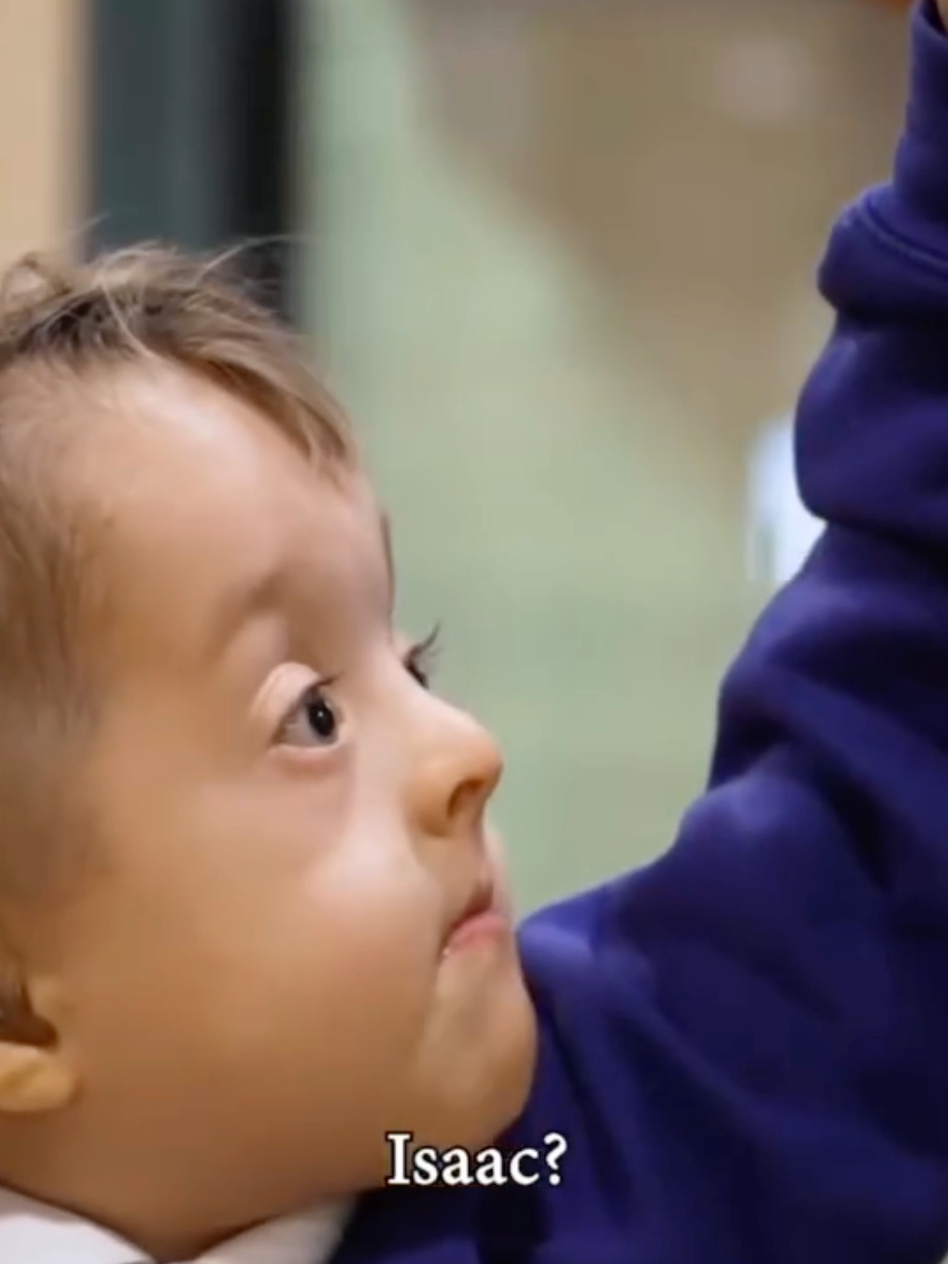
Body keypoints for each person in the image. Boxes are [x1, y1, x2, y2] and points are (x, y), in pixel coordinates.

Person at [2, 2, 948, 1262]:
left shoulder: (547, 1164)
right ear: (19, 1010)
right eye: (313, 716)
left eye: (414, 660)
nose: (465, 750)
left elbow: (876, 810)